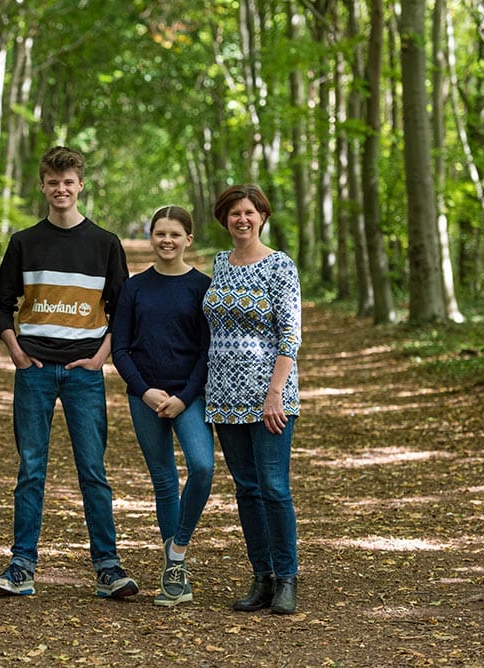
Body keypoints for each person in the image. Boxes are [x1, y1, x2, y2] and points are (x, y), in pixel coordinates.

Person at [0, 146, 138, 599]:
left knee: (93, 470)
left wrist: (102, 356)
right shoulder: (24, 242)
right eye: (53, 182)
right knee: (31, 469)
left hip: (84, 371)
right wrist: (13, 347)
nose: (61, 189)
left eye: (69, 182)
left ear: (80, 185)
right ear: (43, 186)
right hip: (34, 369)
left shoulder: (105, 243)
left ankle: (108, 567)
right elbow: (1, 301)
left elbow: (121, 308)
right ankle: (21, 566)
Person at [202, 184, 302, 615]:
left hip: (269, 396)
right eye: (234, 213)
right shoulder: (220, 263)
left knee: (274, 488)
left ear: (262, 215)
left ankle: (286, 579)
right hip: (224, 395)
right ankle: (260, 577)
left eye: (249, 212)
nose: (242, 219)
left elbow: (290, 333)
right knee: (246, 489)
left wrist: (275, 393)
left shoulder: (280, 265)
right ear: (224, 219)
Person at [111, 205, 214, 607]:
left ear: (189, 239)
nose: (167, 241)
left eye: (175, 234)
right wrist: (143, 390)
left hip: (189, 396)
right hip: (144, 396)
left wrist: (184, 396)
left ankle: (179, 547)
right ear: (150, 238)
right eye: (160, 234)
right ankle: (175, 572)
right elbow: (120, 348)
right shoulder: (135, 288)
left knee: (202, 467)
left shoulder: (203, 286)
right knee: (165, 480)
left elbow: (208, 351)